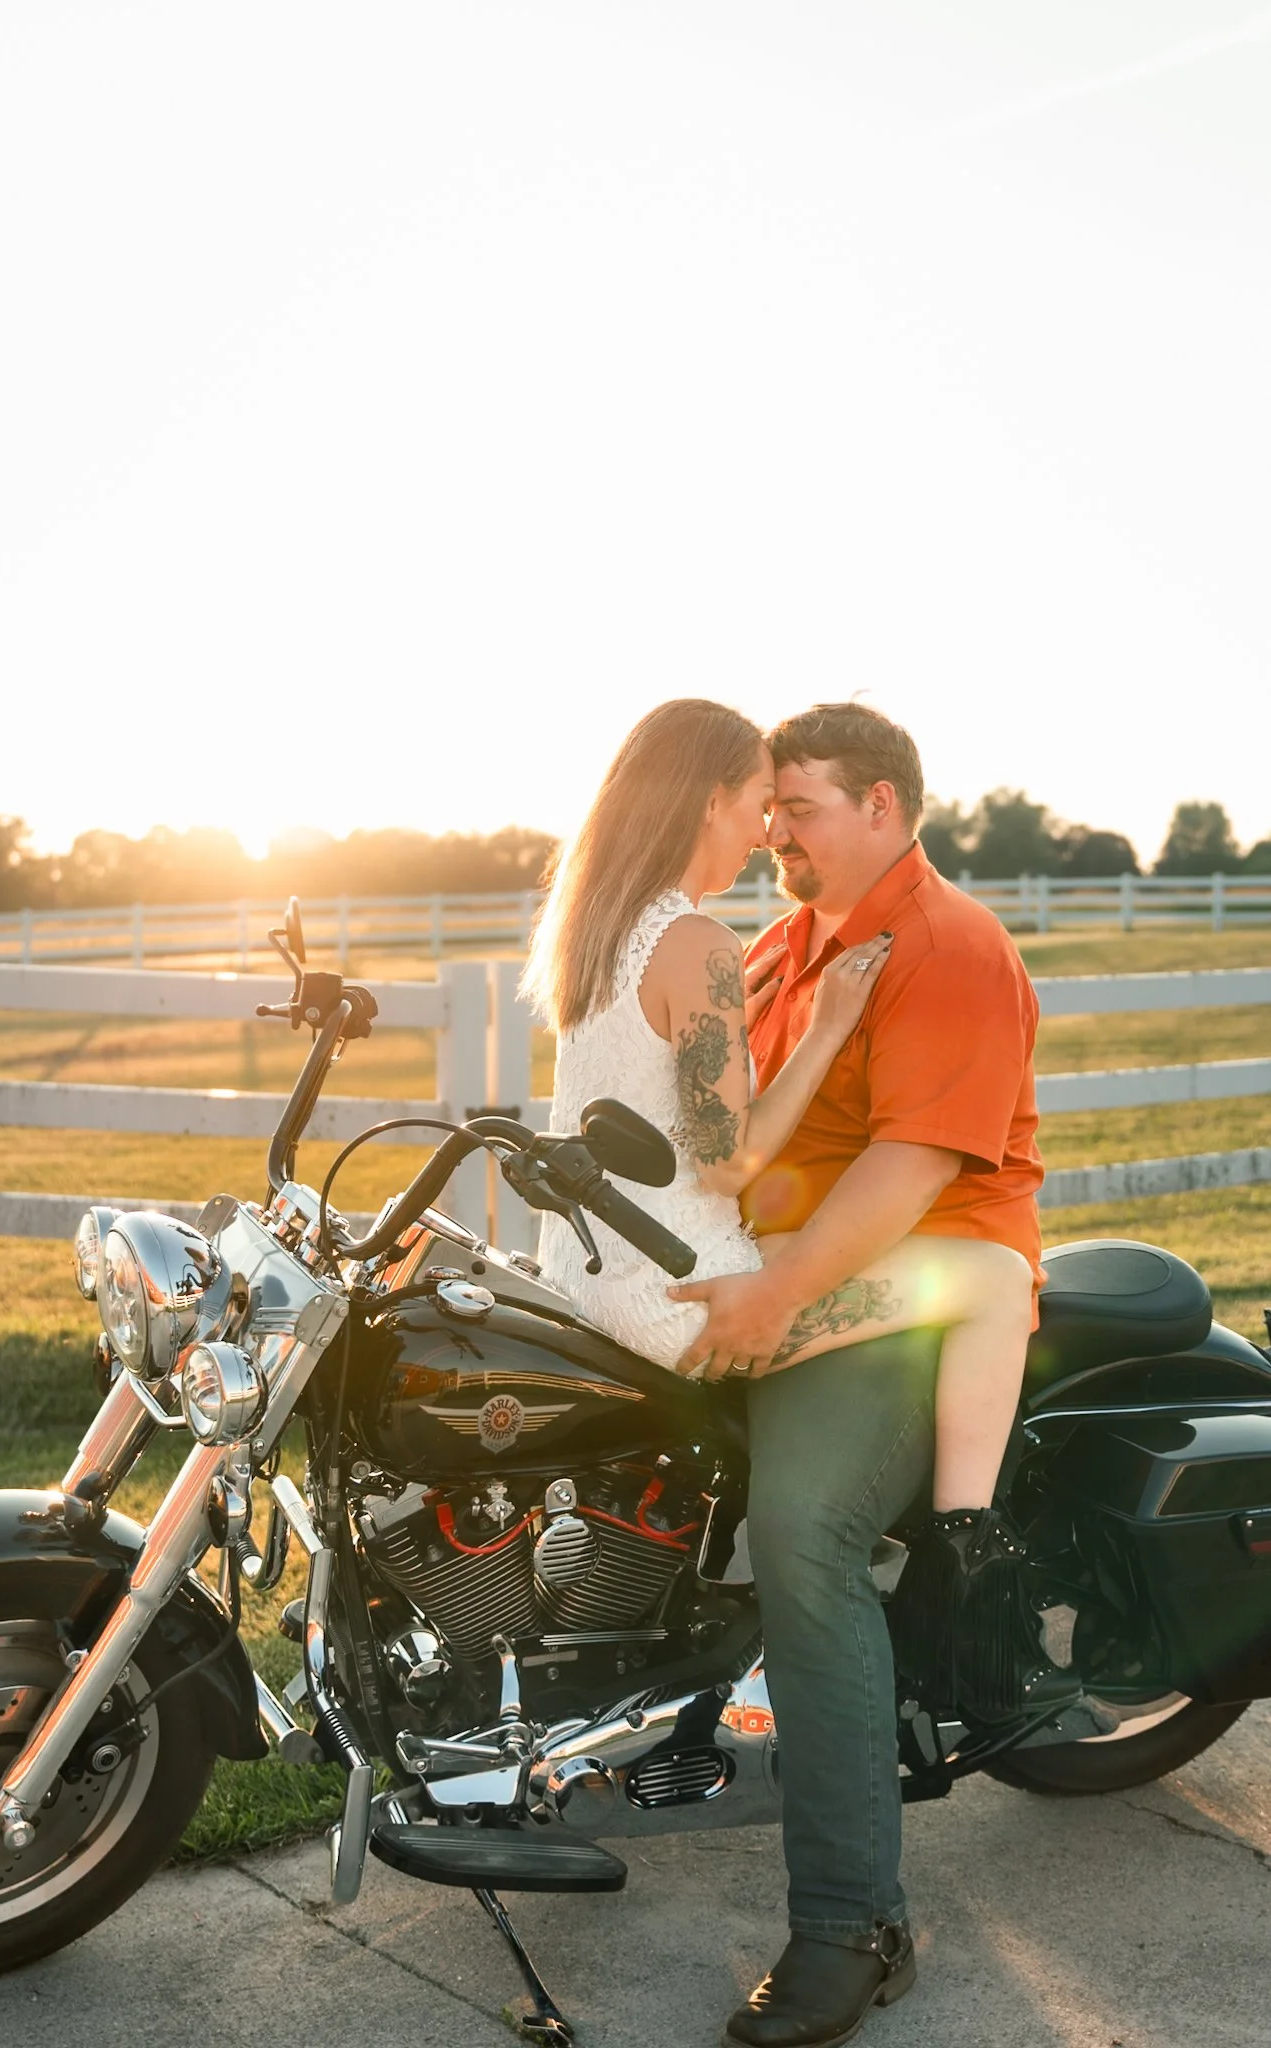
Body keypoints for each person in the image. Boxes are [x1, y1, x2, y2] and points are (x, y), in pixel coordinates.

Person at [523, 697, 1072, 2047]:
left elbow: (910, 1172)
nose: (773, 831)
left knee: (805, 1532)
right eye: (762, 808)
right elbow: (716, 1133)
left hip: (893, 1291)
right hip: (762, 1265)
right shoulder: (777, 945)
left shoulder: (944, 944)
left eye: (800, 808)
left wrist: (777, 1287)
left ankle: (852, 1922)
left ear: (883, 805)